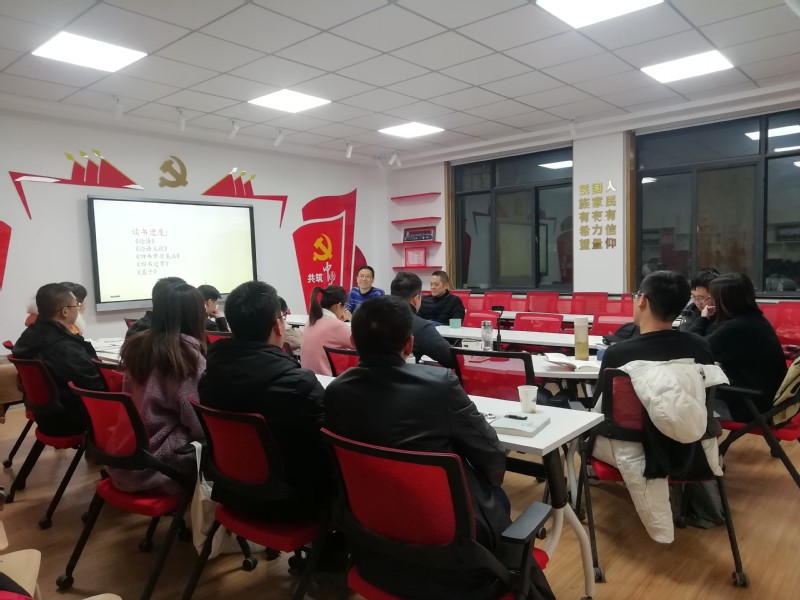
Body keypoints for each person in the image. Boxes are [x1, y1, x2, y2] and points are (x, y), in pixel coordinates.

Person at [324, 296, 554, 600]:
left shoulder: (336, 392)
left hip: (374, 550)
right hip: (457, 564)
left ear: (353, 342)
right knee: (494, 496)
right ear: (409, 345)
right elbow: (493, 459)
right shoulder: (439, 385)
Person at [592, 271, 726, 543]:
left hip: (631, 447)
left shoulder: (619, 353)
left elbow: (601, 408)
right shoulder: (699, 346)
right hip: (690, 444)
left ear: (642, 300)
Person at [198, 280, 329, 521]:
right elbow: (327, 445)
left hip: (231, 491)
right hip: (291, 503)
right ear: (278, 326)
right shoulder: (299, 385)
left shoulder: (210, 376)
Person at [110, 282, 206, 494]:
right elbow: (199, 425)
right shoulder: (186, 356)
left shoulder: (137, 346)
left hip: (126, 458)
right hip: (160, 467)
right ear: (196, 315)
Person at [689, 272, 787, 422]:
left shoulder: (738, 328)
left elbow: (692, 348)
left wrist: (702, 319)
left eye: (711, 298)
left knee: (680, 403)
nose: (708, 303)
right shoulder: (754, 319)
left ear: (724, 300)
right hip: (765, 399)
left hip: (750, 405)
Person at [12, 283, 105, 435]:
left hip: (47, 416)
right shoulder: (63, 346)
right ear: (65, 311)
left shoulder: (29, 335)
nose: (79, 309)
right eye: (77, 305)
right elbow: (94, 385)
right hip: (71, 417)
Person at [390, 271, 455, 368]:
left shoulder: (372, 318)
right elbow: (451, 359)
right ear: (416, 299)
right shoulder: (419, 326)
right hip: (402, 376)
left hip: (369, 375)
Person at [300, 285, 354, 376]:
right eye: (344, 307)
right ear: (338, 306)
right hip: (328, 379)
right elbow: (362, 345)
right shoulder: (336, 326)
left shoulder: (311, 320)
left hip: (308, 377)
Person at [677, 268, 720, 332]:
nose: (697, 303)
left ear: (716, 296)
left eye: (701, 298)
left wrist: (703, 319)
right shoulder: (691, 310)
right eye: (694, 297)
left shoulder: (725, 317)